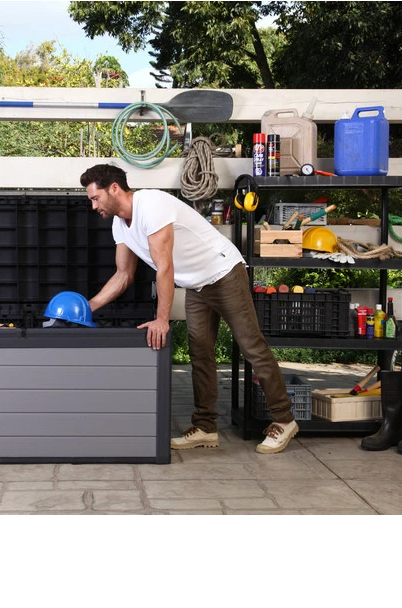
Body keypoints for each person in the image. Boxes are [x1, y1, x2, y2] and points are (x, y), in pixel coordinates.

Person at [79, 163, 297, 454]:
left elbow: (164, 267)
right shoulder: (120, 225)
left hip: (223, 273)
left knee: (251, 347)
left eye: (96, 198)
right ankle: (205, 427)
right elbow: (123, 275)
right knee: (200, 353)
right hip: (196, 286)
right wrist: (87, 308)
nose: (93, 206)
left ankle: (284, 419)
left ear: (114, 189)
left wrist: (162, 320)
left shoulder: (151, 205)